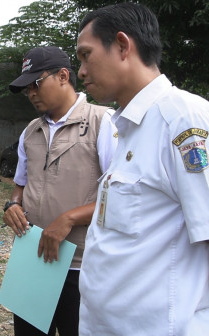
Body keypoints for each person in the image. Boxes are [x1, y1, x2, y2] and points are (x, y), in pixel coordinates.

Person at [76, 3, 209, 335]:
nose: (80, 71)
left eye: (85, 55)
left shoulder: (182, 120)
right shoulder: (128, 126)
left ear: (122, 46)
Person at [3, 46, 118, 336]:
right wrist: (12, 205)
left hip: (80, 263)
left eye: (36, 84)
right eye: (26, 87)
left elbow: (119, 197)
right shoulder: (31, 130)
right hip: (32, 258)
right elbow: (20, 183)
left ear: (64, 75)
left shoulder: (103, 123)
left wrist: (68, 219)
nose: (31, 93)